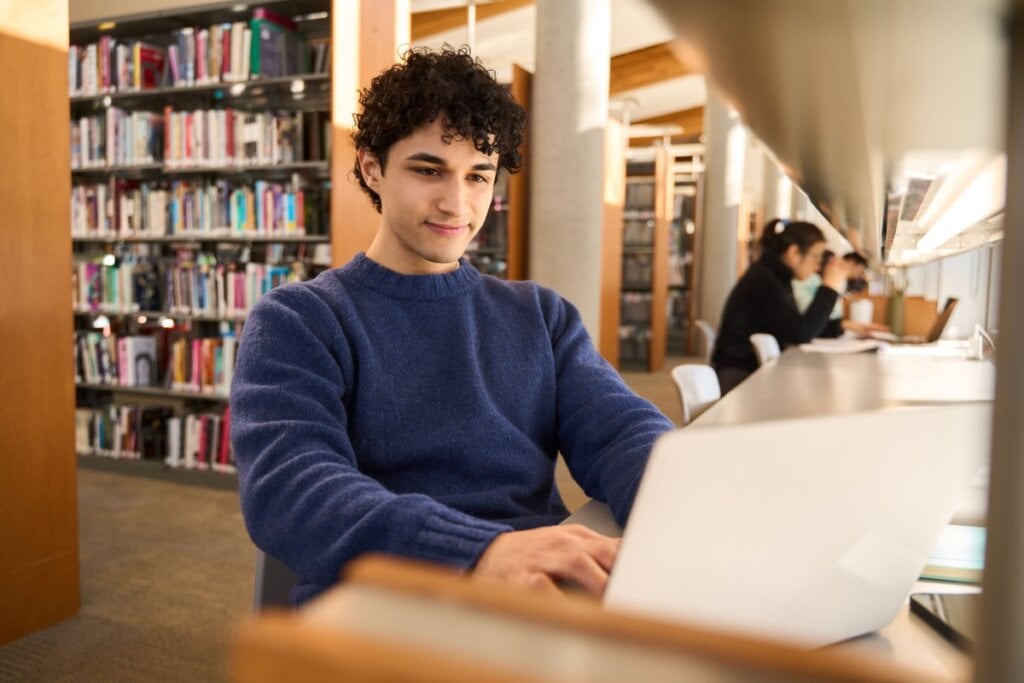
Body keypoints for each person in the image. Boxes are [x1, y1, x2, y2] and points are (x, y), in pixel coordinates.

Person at [229, 46, 674, 605]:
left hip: (534, 587)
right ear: (372, 167)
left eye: (478, 176)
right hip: (388, 602)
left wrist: (680, 503)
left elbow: (622, 430)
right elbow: (291, 491)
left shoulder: (540, 314)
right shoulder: (299, 320)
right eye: (427, 170)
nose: (456, 204)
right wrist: (479, 553)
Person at [711, 218, 848, 394]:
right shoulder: (764, 280)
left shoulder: (774, 276)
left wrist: (838, 326)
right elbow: (799, 333)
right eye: (816, 256)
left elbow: (801, 326)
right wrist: (829, 288)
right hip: (739, 377)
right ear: (794, 252)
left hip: (749, 371)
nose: (817, 266)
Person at [792, 250, 887, 338]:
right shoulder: (809, 281)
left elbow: (819, 324)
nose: (860, 275)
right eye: (860, 270)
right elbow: (808, 326)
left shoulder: (837, 283)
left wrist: (847, 325)